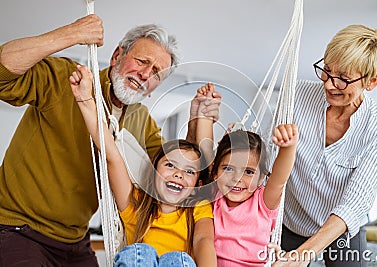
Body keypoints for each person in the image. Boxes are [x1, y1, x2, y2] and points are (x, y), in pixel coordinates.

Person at [0, 14, 220, 266]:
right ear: (117, 56)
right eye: (142, 61)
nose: (146, 74)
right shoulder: (66, 79)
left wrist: (196, 123)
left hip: (74, 239)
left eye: (157, 73)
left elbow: (170, 175)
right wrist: (72, 34)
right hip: (18, 228)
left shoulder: (141, 120)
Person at [272, 25, 377, 266]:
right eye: (327, 71)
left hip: (341, 228)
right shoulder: (296, 95)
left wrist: (303, 254)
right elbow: (266, 164)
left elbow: (356, 201)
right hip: (289, 219)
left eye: (343, 79)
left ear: (372, 82)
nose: (329, 84)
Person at [70, 65, 216, 266]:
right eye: (170, 165)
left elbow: (204, 240)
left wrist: (201, 119)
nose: (179, 174)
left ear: (196, 186)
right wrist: (85, 100)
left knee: (178, 259)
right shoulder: (135, 205)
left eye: (189, 171)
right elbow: (111, 154)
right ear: (154, 172)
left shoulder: (197, 208)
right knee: (139, 253)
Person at [195, 83, 299, 267]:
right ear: (215, 172)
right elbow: (204, 152)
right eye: (228, 169)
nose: (237, 178)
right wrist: (204, 113)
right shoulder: (215, 196)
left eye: (248, 172)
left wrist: (288, 147)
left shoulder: (263, 202)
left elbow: (280, 179)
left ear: (261, 178)